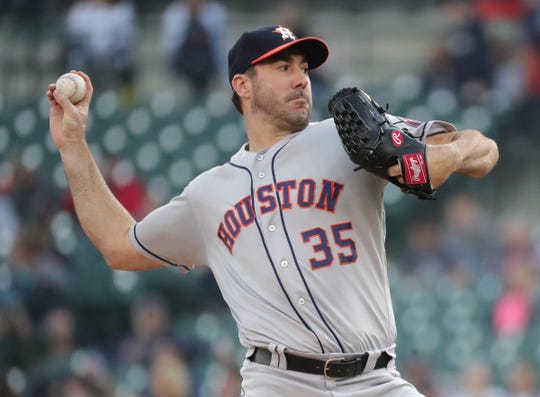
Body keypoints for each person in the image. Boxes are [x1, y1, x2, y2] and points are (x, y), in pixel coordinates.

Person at [47, 25, 499, 397]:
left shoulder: (344, 139)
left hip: (376, 382)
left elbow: (483, 149)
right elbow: (119, 246)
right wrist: (73, 146)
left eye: (303, 67)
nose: (301, 78)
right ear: (242, 85)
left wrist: (443, 157)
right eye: (283, 67)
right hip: (277, 384)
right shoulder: (208, 194)